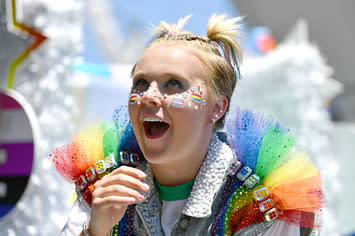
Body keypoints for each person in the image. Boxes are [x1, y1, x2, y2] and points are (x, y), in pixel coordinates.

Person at [60, 14, 322, 236]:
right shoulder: (101, 188)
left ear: (217, 108)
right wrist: (95, 230)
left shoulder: (259, 203)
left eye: (173, 84)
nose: (148, 96)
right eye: (140, 83)